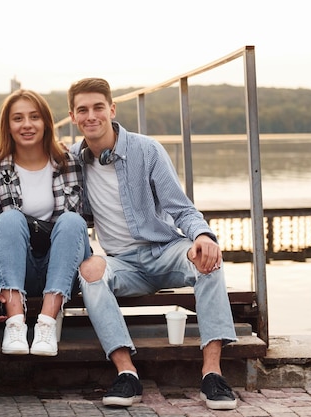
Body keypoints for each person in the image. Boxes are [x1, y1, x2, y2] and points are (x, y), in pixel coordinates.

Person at [67, 78, 239, 410]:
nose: (91, 116)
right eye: (83, 110)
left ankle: (212, 374)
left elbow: (181, 208)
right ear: (73, 117)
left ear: (112, 109)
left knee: (208, 259)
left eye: (98, 107)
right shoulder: (71, 161)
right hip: (122, 263)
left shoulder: (147, 150)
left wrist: (202, 236)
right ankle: (126, 373)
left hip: (166, 251)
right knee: (91, 274)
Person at [0, 89, 91, 357]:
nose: (27, 124)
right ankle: (15, 323)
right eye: (18, 118)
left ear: (46, 122)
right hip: (14, 271)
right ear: (8, 127)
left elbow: (76, 233)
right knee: (10, 218)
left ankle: (47, 323)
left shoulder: (69, 164)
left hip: (61, 270)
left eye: (34, 117)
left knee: (72, 221)